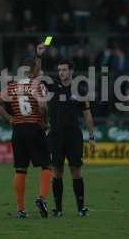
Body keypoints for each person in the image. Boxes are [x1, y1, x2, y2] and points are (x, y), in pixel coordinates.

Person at [0, 45, 52, 218]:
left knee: (20, 170)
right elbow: (42, 105)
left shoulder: (12, 86)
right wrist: (45, 121)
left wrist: (10, 119)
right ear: (33, 69)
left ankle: (20, 209)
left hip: (18, 130)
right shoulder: (36, 85)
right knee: (47, 165)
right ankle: (41, 198)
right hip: (34, 127)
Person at [39, 53, 96, 217]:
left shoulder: (80, 90)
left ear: (72, 71)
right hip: (56, 134)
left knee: (76, 171)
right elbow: (37, 74)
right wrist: (42, 49)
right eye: (59, 70)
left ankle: (81, 207)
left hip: (73, 135)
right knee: (57, 172)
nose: (61, 73)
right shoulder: (52, 86)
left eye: (64, 70)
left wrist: (91, 137)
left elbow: (87, 114)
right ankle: (58, 209)